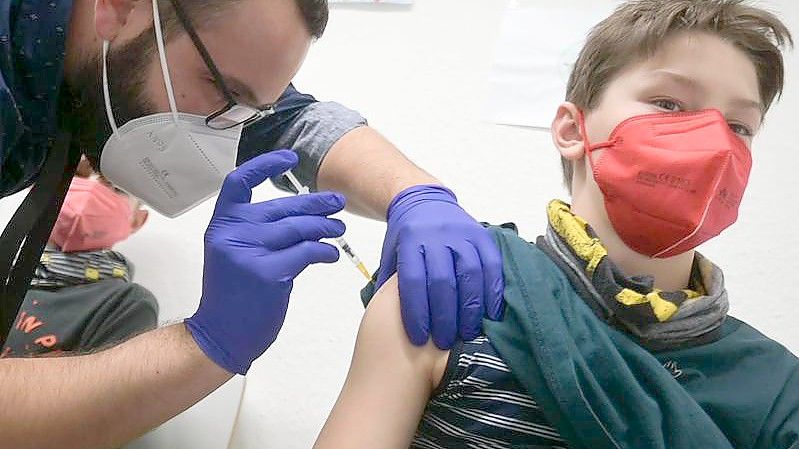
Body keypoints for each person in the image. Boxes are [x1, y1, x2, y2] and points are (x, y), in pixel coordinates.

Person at [0, 0, 505, 447]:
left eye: (246, 112)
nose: (223, 139)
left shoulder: (82, 62)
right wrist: (207, 342)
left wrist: (416, 195)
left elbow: (297, 123)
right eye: (220, 89)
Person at [313, 1, 799, 448]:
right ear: (572, 130)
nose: (713, 144)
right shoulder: (455, 290)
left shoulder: (776, 388)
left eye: (738, 127)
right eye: (668, 104)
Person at [3, 168, 156, 358]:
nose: (90, 190)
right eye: (74, 174)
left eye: (117, 187)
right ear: (35, 187)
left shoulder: (124, 305)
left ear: (136, 220)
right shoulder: (6, 268)